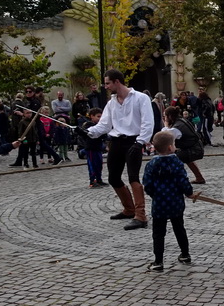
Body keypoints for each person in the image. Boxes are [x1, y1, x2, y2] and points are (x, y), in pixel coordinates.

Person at [86, 69, 155, 230]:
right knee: (113, 178)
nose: (106, 86)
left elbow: (148, 122)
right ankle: (129, 209)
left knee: (133, 178)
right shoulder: (111, 103)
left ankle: (141, 216)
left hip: (134, 141)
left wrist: (140, 143)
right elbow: (104, 125)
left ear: (117, 81)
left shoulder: (141, 98)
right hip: (116, 142)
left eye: (108, 83)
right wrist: (88, 132)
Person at [141, 130, 194, 271]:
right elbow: (183, 180)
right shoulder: (176, 162)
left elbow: (147, 184)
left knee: (158, 233)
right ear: (170, 147)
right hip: (176, 203)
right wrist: (189, 192)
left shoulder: (151, 164)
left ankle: (158, 261)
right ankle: (185, 254)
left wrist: (155, 195)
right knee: (179, 228)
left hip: (159, 204)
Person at [163, 105, 206, 184]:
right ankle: (199, 177)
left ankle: (172, 181)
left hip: (194, 149)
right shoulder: (181, 120)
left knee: (171, 159)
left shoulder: (177, 126)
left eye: (165, 116)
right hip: (195, 147)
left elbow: (166, 136)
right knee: (187, 159)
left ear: (169, 116)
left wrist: (166, 125)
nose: (164, 118)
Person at [80, 108, 106, 187]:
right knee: (92, 165)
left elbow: (103, 135)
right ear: (92, 116)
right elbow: (84, 134)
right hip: (91, 148)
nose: (100, 118)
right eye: (98, 116)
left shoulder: (101, 126)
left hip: (98, 148)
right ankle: (92, 180)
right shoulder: (88, 125)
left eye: (101, 117)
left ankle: (99, 179)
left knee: (99, 165)